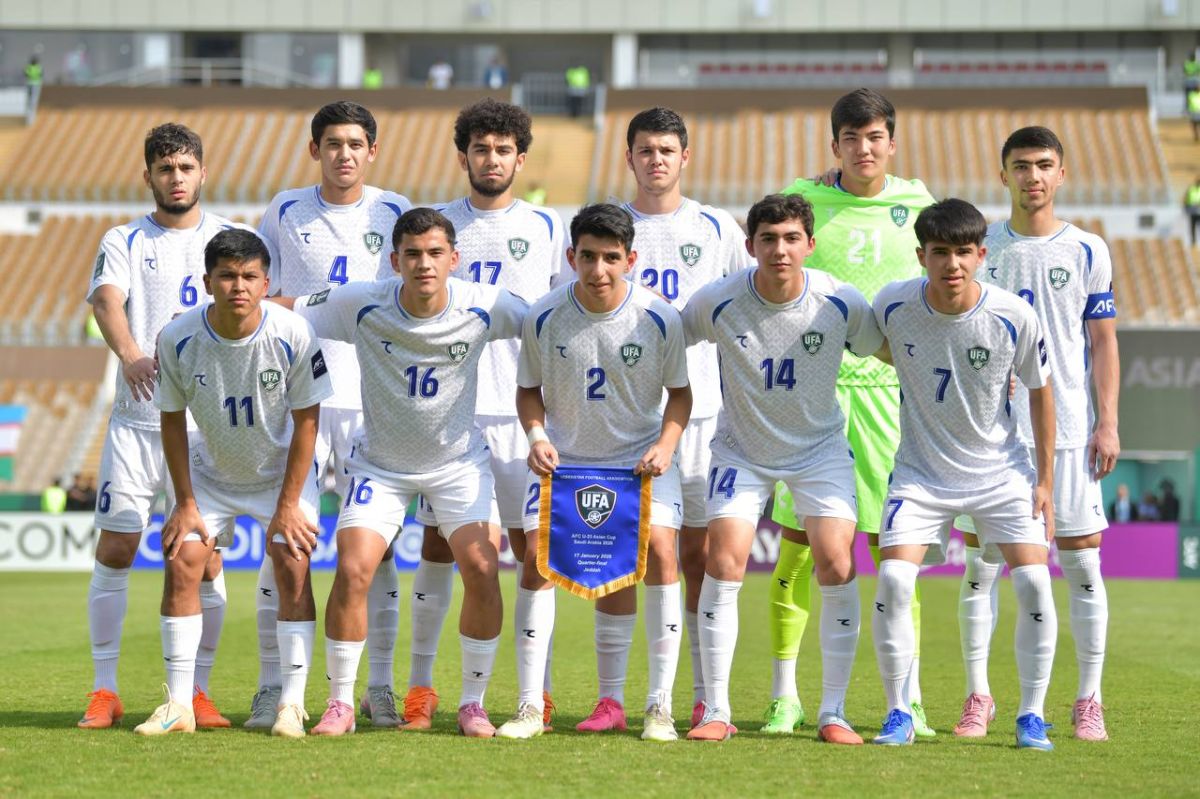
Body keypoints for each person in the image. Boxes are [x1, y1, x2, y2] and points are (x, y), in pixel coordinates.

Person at [287, 207, 528, 738]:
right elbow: (287, 309)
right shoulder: (360, 302)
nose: (424, 264)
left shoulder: (486, 304)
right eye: (412, 254)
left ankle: (472, 704)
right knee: (354, 568)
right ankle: (339, 703)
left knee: (482, 568)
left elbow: (548, 321)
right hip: (381, 465)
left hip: (458, 464)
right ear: (394, 261)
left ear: (454, 259)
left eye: (435, 253)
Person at [767, 88, 938, 737]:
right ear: (834, 144)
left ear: (892, 142)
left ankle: (908, 699)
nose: (863, 149)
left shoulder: (918, 205)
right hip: (814, 397)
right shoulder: (803, 200)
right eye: (850, 138)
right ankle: (784, 695)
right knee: (798, 553)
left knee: (896, 557)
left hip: (890, 398)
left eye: (874, 137)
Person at [682, 194, 880, 745]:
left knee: (836, 561)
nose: (780, 250)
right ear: (750, 246)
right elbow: (667, 341)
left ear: (810, 245)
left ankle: (833, 712)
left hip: (818, 450)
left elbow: (889, 350)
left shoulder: (839, 301)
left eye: (791, 238)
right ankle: (716, 710)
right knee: (724, 559)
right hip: (741, 450)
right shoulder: (719, 300)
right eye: (768, 239)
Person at [496, 204, 691, 741]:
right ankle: (530, 706)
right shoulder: (544, 315)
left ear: (630, 259)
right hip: (566, 463)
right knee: (536, 561)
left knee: (660, 553)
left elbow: (680, 395)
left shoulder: (659, 317)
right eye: (587, 257)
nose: (598, 269)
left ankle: (656, 707)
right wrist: (537, 437)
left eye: (610, 258)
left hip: (637, 462)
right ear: (571, 257)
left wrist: (666, 445)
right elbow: (527, 390)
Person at [870, 198, 1058, 751]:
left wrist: (1044, 482)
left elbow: (1042, 393)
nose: (951, 264)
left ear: (981, 255)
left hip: (1001, 472)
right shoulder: (893, 304)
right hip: (920, 474)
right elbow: (878, 346)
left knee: (1033, 582)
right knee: (893, 579)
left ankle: (1031, 715)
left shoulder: (1013, 315)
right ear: (921, 256)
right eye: (939, 252)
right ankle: (898, 712)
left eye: (962, 252)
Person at [406, 98, 566, 731]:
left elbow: (560, 319)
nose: (491, 159)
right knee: (440, 547)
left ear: (520, 159)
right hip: (453, 418)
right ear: (463, 156)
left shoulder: (549, 226)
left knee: (535, 555)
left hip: (526, 414)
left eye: (503, 150)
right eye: (481, 149)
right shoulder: (438, 226)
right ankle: (421, 688)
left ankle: (535, 693)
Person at [955, 127, 1119, 743]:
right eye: (1021, 166)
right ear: (1003, 176)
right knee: (981, 567)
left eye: (1044, 165)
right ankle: (979, 696)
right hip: (992, 438)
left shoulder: (1088, 250)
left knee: (1082, 565)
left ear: (1061, 173)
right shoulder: (982, 246)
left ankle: (1088, 700)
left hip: (1069, 431)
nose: (1033, 176)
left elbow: (1103, 342)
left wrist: (1108, 421)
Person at [81, 123, 245, 731]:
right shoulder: (124, 237)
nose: (176, 178)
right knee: (117, 546)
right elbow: (106, 299)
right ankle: (105, 690)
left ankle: (197, 693)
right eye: (165, 168)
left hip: (206, 429)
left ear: (203, 172)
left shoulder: (229, 237)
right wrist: (131, 355)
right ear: (148, 175)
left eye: (185, 167)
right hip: (138, 421)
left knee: (205, 560)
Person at [135, 229, 331, 738]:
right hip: (211, 474)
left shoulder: (293, 332)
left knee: (292, 563)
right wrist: (184, 502)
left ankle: (291, 705)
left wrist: (288, 505)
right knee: (183, 561)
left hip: (280, 474)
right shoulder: (177, 337)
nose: (237, 286)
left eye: (248, 276)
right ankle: (179, 704)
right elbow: (171, 421)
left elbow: (308, 422)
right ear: (207, 282)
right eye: (226, 276)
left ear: (266, 283)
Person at [256, 101, 412, 729]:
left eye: (355, 144)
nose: (343, 154)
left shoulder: (394, 211)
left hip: (375, 398)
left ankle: (379, 687)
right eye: (332, 143)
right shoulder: (285, 209)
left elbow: (409, 296)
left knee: (379, 547)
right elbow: (262, 293)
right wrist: (325, 302)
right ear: (314, 149)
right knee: (284, 541)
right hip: (299, 396)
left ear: (372, 151)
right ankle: (275, 689)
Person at [619, 106, 751, 728]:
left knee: (698, 558)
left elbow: (745, 309)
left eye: (667, 150)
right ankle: (639, 697)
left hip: (704, 416)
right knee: (649, 555)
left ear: (684, 158)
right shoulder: (611, 224)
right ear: (630, 157)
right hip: (629, 418)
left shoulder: (716, 227)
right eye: (646, 150)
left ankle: (704, 694)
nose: (656, 160)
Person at [1183, 176, 1200, 247]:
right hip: (1192, 210)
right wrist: (1186, 206)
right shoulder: (1191, 188)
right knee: (1192, 227)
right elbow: (1186, 198)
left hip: (1198, 210)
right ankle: (1193, 242)